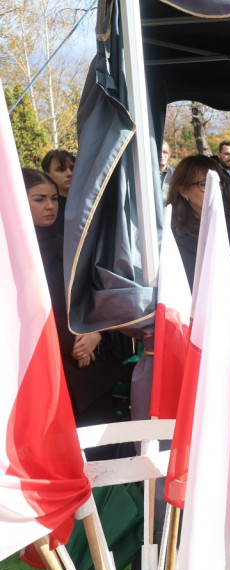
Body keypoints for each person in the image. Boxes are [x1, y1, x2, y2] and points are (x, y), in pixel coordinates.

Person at [23, 168, 130, 437]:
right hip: (36, 369)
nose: (49, 206)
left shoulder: (72, 248)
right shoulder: (11, 254)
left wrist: (96, 332)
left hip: (88, 365)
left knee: (97, 449)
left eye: (54, 198)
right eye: (39, 199)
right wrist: (73, 342)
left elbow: (97, 297)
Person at [166, 154, 230, 288]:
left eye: (219, 183)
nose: (215, 189)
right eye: (205, 184)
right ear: (184, 191)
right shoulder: (170, 236)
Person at [41, 149, 75, 234]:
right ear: (47, 175)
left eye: (72, 168)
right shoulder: (45, 208)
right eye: (61, 169)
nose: (69, 173)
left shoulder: (89, 202)